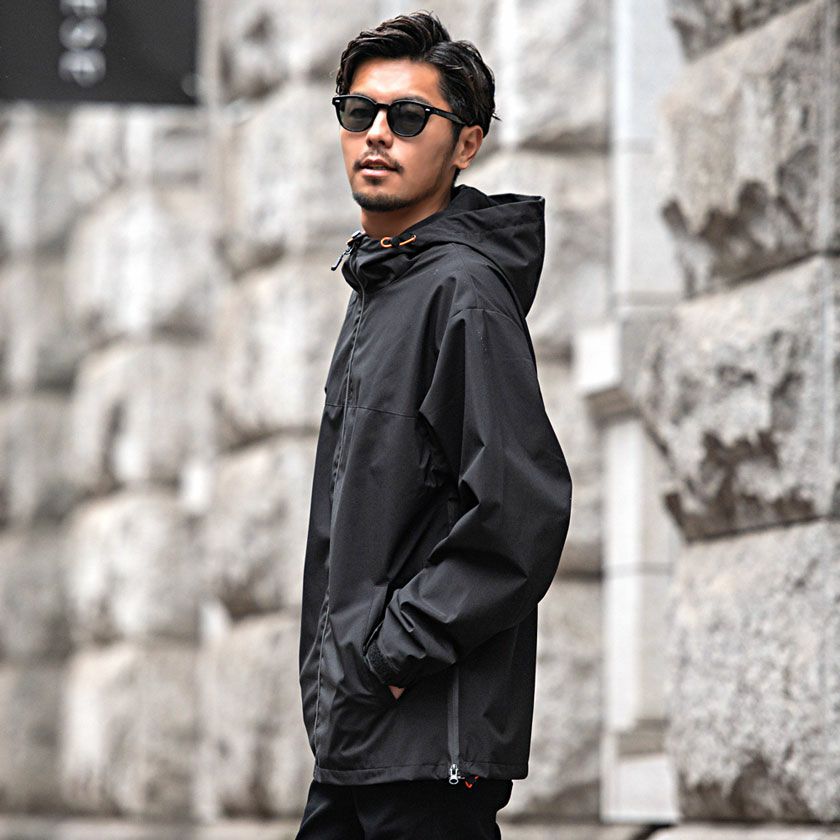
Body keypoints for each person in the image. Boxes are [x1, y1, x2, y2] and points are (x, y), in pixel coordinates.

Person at [295, 11, 573, 839]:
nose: (378, 133)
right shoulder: (382, 286)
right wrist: (344, 677)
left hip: (425, 744)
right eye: (359, 112)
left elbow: (520, 511)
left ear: (466, 144)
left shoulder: (463, 294)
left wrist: (389, 656)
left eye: (410, 116)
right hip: (359, 738)